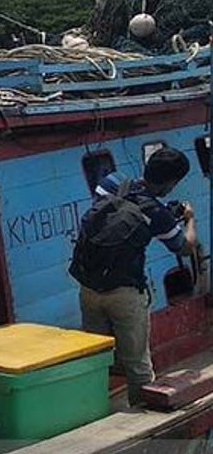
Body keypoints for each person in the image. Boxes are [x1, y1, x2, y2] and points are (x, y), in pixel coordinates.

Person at [69, 147, 199, 405]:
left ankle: (93, 409)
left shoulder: (111, 183)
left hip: (89, 288)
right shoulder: (157, 215)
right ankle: (143, 415)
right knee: (137, 362)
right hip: (125, 295)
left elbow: (115, 212)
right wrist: (189, 220)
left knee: (97, 355)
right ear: (171, 183)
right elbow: (184, 247)